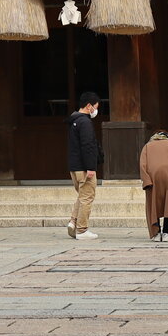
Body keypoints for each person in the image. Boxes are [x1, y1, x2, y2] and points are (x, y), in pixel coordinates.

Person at [65, 92, 103, 240]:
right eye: (95, 107)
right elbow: (88, 146)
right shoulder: (85, 122)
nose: (95, 110)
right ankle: (82, 229)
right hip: (84, 167)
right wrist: (91, 167)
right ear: (89, 106)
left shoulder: (73, 120)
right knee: (87, 196)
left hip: (74, 167)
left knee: (82, 195)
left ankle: (73, 222)